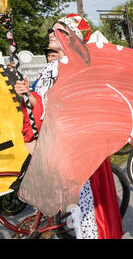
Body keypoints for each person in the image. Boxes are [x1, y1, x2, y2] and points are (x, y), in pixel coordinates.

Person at [14, 14, 123, 239]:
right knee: (74, 211)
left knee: (89, 212)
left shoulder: (83, 65)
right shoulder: (50, 68)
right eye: (51, 30)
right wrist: (27, 95)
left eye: (57, 31)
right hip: (60, 147)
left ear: (71, 37)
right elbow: (41, 105)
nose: (50, 34)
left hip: (81, 149)